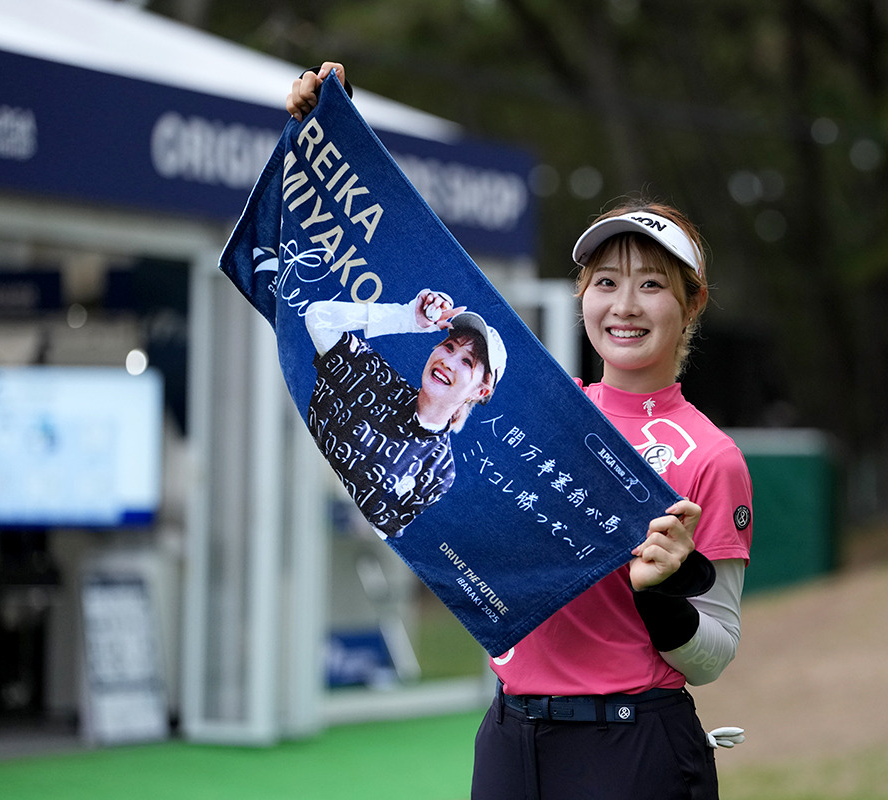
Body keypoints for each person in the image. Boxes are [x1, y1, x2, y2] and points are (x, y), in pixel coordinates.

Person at [289, 65, 753, 800]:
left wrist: (661, 594)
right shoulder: (535, 411)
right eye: (605, 281)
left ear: (690, 305)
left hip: (632, 742)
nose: (624, 305)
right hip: (512, 736)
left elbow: (714, 653)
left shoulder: (711, 456)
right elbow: (395, 261)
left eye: (652, 283)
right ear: (582, 299)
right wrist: (327, 132)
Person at [305, 288, 506, 538]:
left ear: (480, 391)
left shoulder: (440, 471)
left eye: (467, 362)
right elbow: (317, 317)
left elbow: (388, 537)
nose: (448, 361)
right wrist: (406, 318)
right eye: (449, 346)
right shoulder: (374, 376)